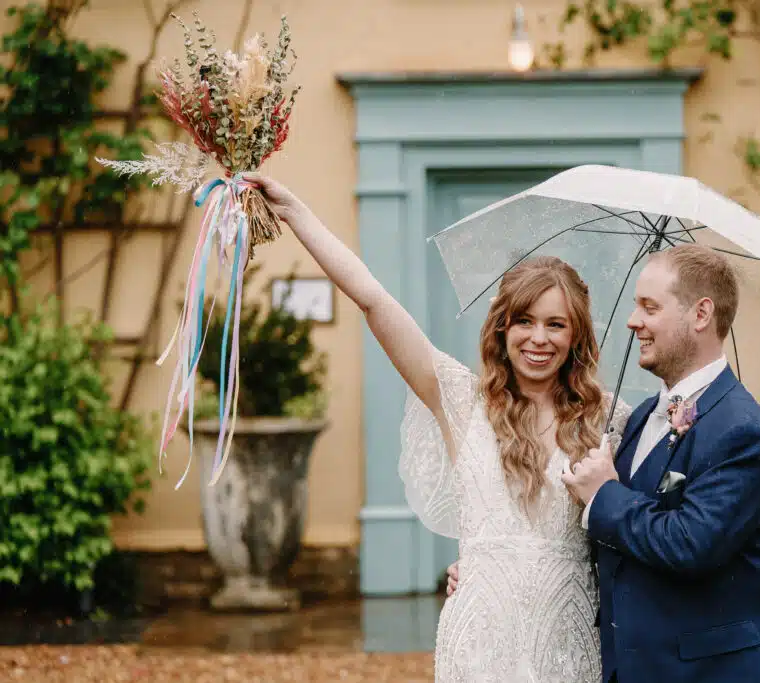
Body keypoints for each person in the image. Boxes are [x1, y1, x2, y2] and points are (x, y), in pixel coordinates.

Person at [244, 173, 631, 683]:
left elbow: (633, 530)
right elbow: (373, 301)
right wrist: (296, 212)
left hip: (568, 637)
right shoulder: (462, 402)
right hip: (479, 638)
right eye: (525, 321)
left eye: (556, 325)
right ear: (502, 328)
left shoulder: (610, 418)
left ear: (576, 335)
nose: (539, 338)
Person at [559, 244, 760, 683]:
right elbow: (620, 548)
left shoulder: (741, 429)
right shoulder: (637, 421)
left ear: (701, 314)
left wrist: (603, 495)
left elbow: (690, 543)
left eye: (649, 307)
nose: (634, 321)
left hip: (716, 670)